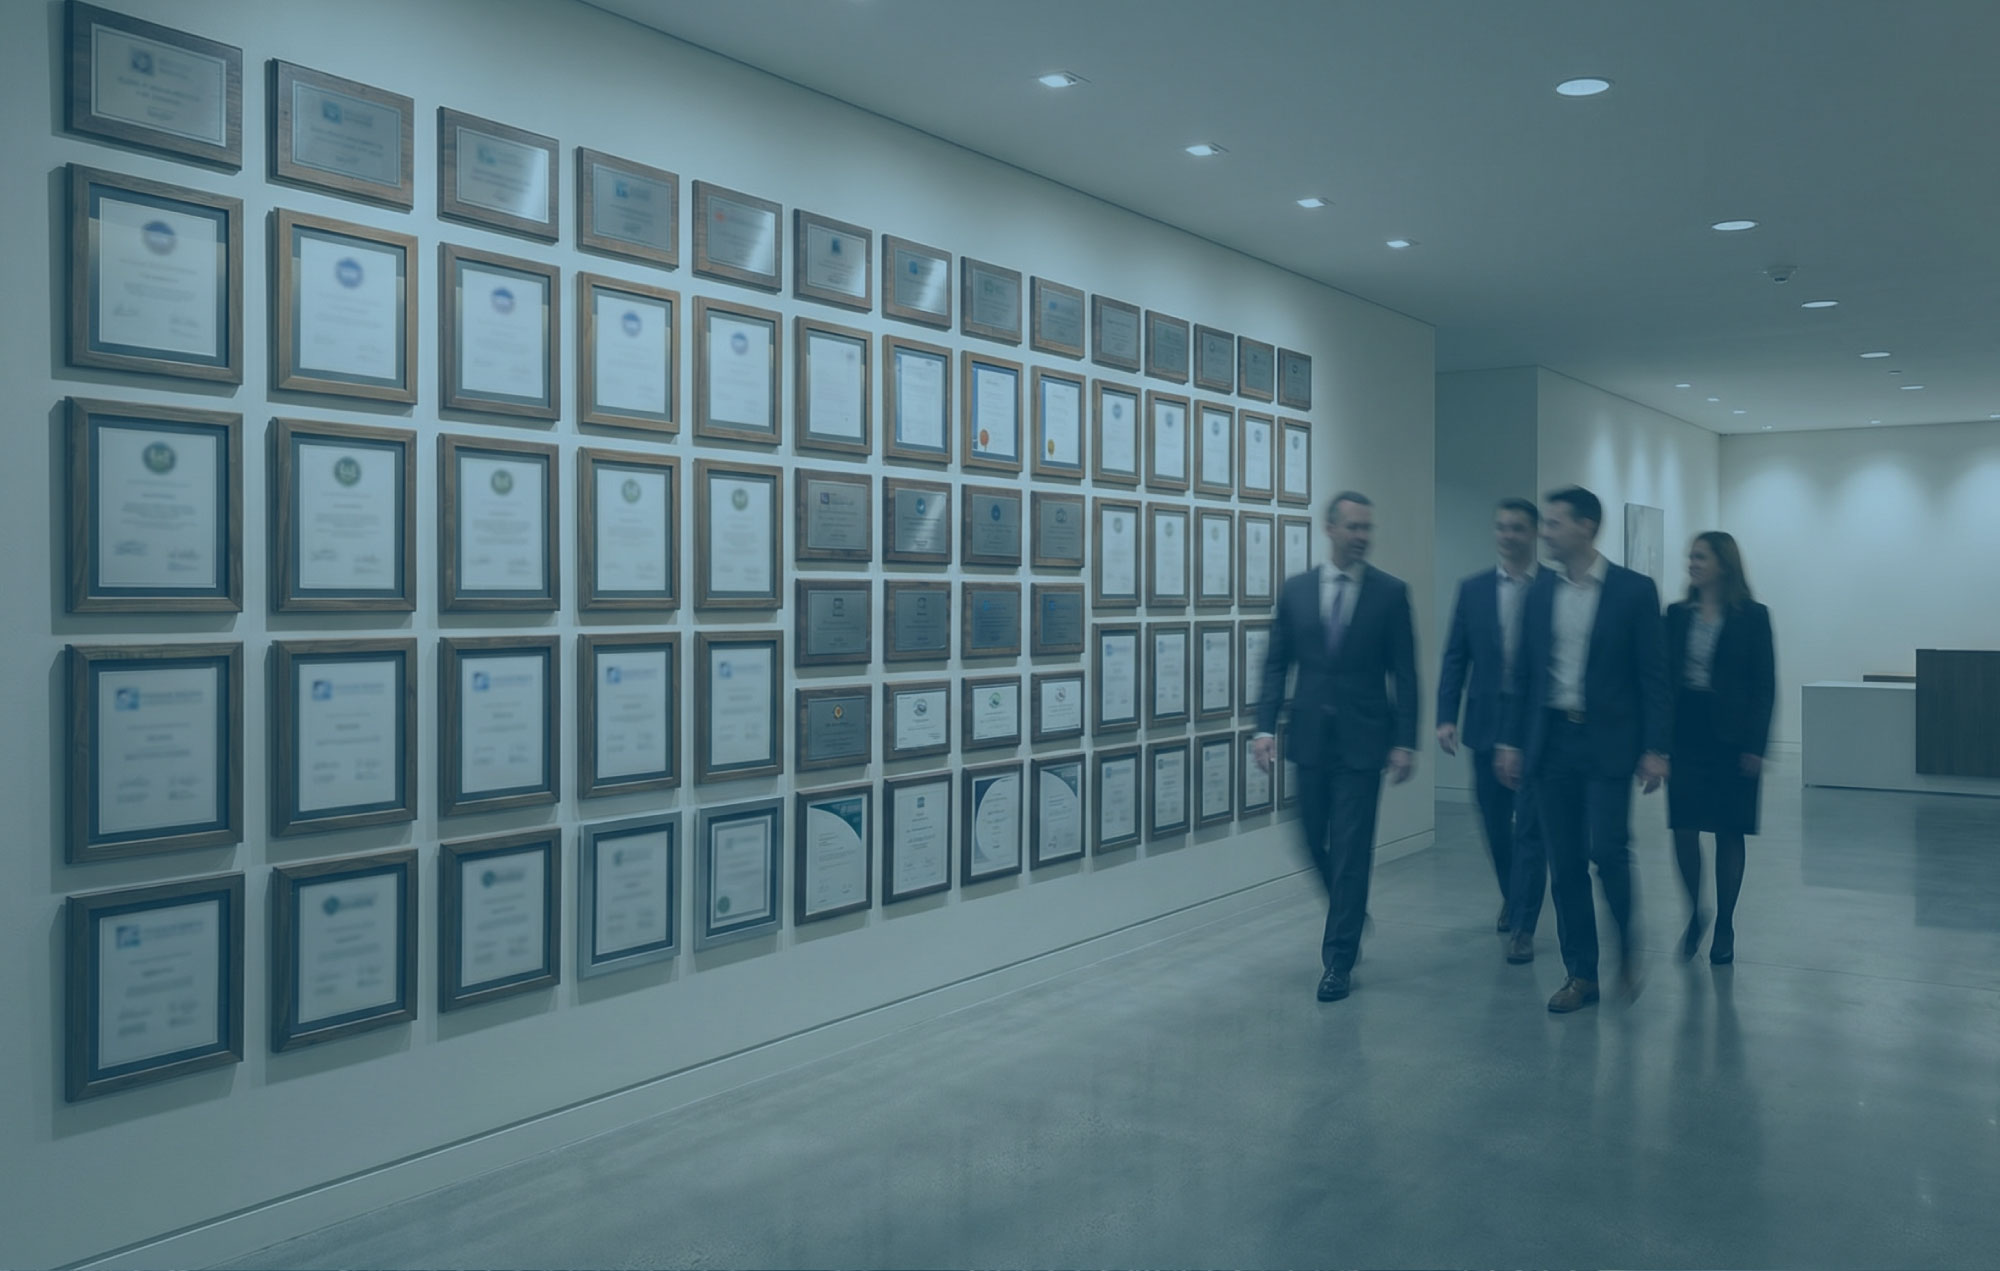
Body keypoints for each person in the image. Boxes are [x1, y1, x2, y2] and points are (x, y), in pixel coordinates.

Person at [1496, 486, 1669, 1012]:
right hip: (1552, 742)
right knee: (1564, 860)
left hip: (1608, 741)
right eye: (1544, 523)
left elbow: (1654, 677)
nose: (1544, 532)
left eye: (1554, 523)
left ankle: (1628, 948)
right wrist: (1511, 741)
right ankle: (1581, 974)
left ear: (1586, 527)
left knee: (1608, 851)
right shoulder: (1540, 594)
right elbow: (1522, 676)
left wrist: (1657, 747)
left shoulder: (1633, 592)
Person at [1255, 491, 1420, 1003]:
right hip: (1308, 739)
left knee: (1352, 851)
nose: (1362, 537)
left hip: (1363, 742)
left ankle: (1338, 961)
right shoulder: (1298, 591)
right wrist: (1264, 727)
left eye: (1367, 528)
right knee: (1308, 838)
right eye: (1353, 527)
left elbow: (1405, 674)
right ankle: (1349, 910)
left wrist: (1404, 741)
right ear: (1330, 529)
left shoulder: (1390, 594)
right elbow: (1277, 663)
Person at [1436, 498, 1548, 963]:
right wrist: (1446, 715)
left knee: (1533, 829)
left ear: (1534, 534)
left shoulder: (1554, 589)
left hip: (1538, 723)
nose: (1507, 535)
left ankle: (1523, 923)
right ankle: (1513, 894)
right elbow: (1455, 655)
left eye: (1517, 528)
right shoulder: (1474, 589)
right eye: (1501, 527)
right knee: (1494, 823)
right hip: (1485, 719)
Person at [1664, 532, 1775, 966]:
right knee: (1684, 829)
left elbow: (1764, 685)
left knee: (1729, 830)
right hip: (1685, 734)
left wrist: (1756, 744)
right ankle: (1696, 911)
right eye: (1690, 556)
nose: (1691, 563)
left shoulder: (1753, 616)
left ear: (1724, 564)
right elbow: (1661, 681)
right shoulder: (1675, 615)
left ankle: (1725, 923)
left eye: (1700, 557)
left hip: (1733, 738)